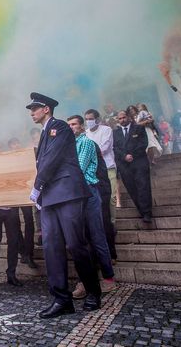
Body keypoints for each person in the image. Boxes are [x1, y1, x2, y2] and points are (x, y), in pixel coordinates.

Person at [26, 93, 101, 318]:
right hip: (50, 196)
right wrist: (41, 194)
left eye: (35, 108)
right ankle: (61, 300)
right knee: (51, 247)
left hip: (67, 192)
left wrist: (37, 186)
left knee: (76, 244)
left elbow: (51, 159)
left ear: (46, 109)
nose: (31, 112)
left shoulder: (59, 127)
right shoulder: (45, 131)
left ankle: (93, 293)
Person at [67, 115, 116, 299]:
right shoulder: (69, 146)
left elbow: (78, 169)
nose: (71, 127)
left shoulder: (86, 143)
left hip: (89, 192)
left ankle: (109, 278)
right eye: (68, 125)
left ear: (81, 127)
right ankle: (85, 280)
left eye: (74, 124)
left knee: (97, 236)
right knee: (80, 240)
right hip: (75, 195)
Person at [0, 139, 23, 286]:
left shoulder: (9, 164)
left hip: (11, 208)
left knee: (13, 242)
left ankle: (11, 274)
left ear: (0, 149)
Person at [113, 110, 153, 223]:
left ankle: (146, 212)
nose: (122, 120)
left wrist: (132, 155)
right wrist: (124, 156)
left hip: (139, 161)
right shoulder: (115, 133)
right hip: (124, 165)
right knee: (131, 188)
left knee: (143, 186)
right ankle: (141, 210)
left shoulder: (138, 128)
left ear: (129, 117)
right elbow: (114, 148)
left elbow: (143, 143)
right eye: (120, 118)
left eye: (124, 117)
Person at [7, 137, 37, 269]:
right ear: (10, 147)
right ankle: (22, 251)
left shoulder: (26, 156)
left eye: (16, 143)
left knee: (29, 221)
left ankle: (29, 253)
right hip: (13, 194)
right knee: (14, 222)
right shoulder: (7, 159)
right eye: (12, 144)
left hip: (25, 192)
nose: (15, 146)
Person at [84, 109, 118, 225]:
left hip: (108, 167)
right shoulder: (86, 133)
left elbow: (104, 148)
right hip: (93, 171)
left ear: (97, 119)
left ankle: (112, 222)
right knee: (99, 199)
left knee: (112, 197)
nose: (88, 121)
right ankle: (103, 223)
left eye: (91, 119)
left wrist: (88, 154)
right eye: (87, 119)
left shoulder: (106, 130)